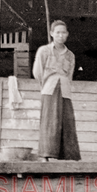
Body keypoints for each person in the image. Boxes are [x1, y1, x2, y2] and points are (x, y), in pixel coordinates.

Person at [33, 20, 81, 162]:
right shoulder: (44, 50)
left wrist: (64, 84)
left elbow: (70, 74)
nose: (61, 35)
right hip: (49, 89)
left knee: (67, 121)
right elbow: (37, 72)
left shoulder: (70, 55)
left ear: (67, 35)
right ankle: (46, 155)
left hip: (65, 90)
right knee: (49, 121)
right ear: (52, 34)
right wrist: (46, 84)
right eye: (58, 32)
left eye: (63, 32)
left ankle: (68, 155)